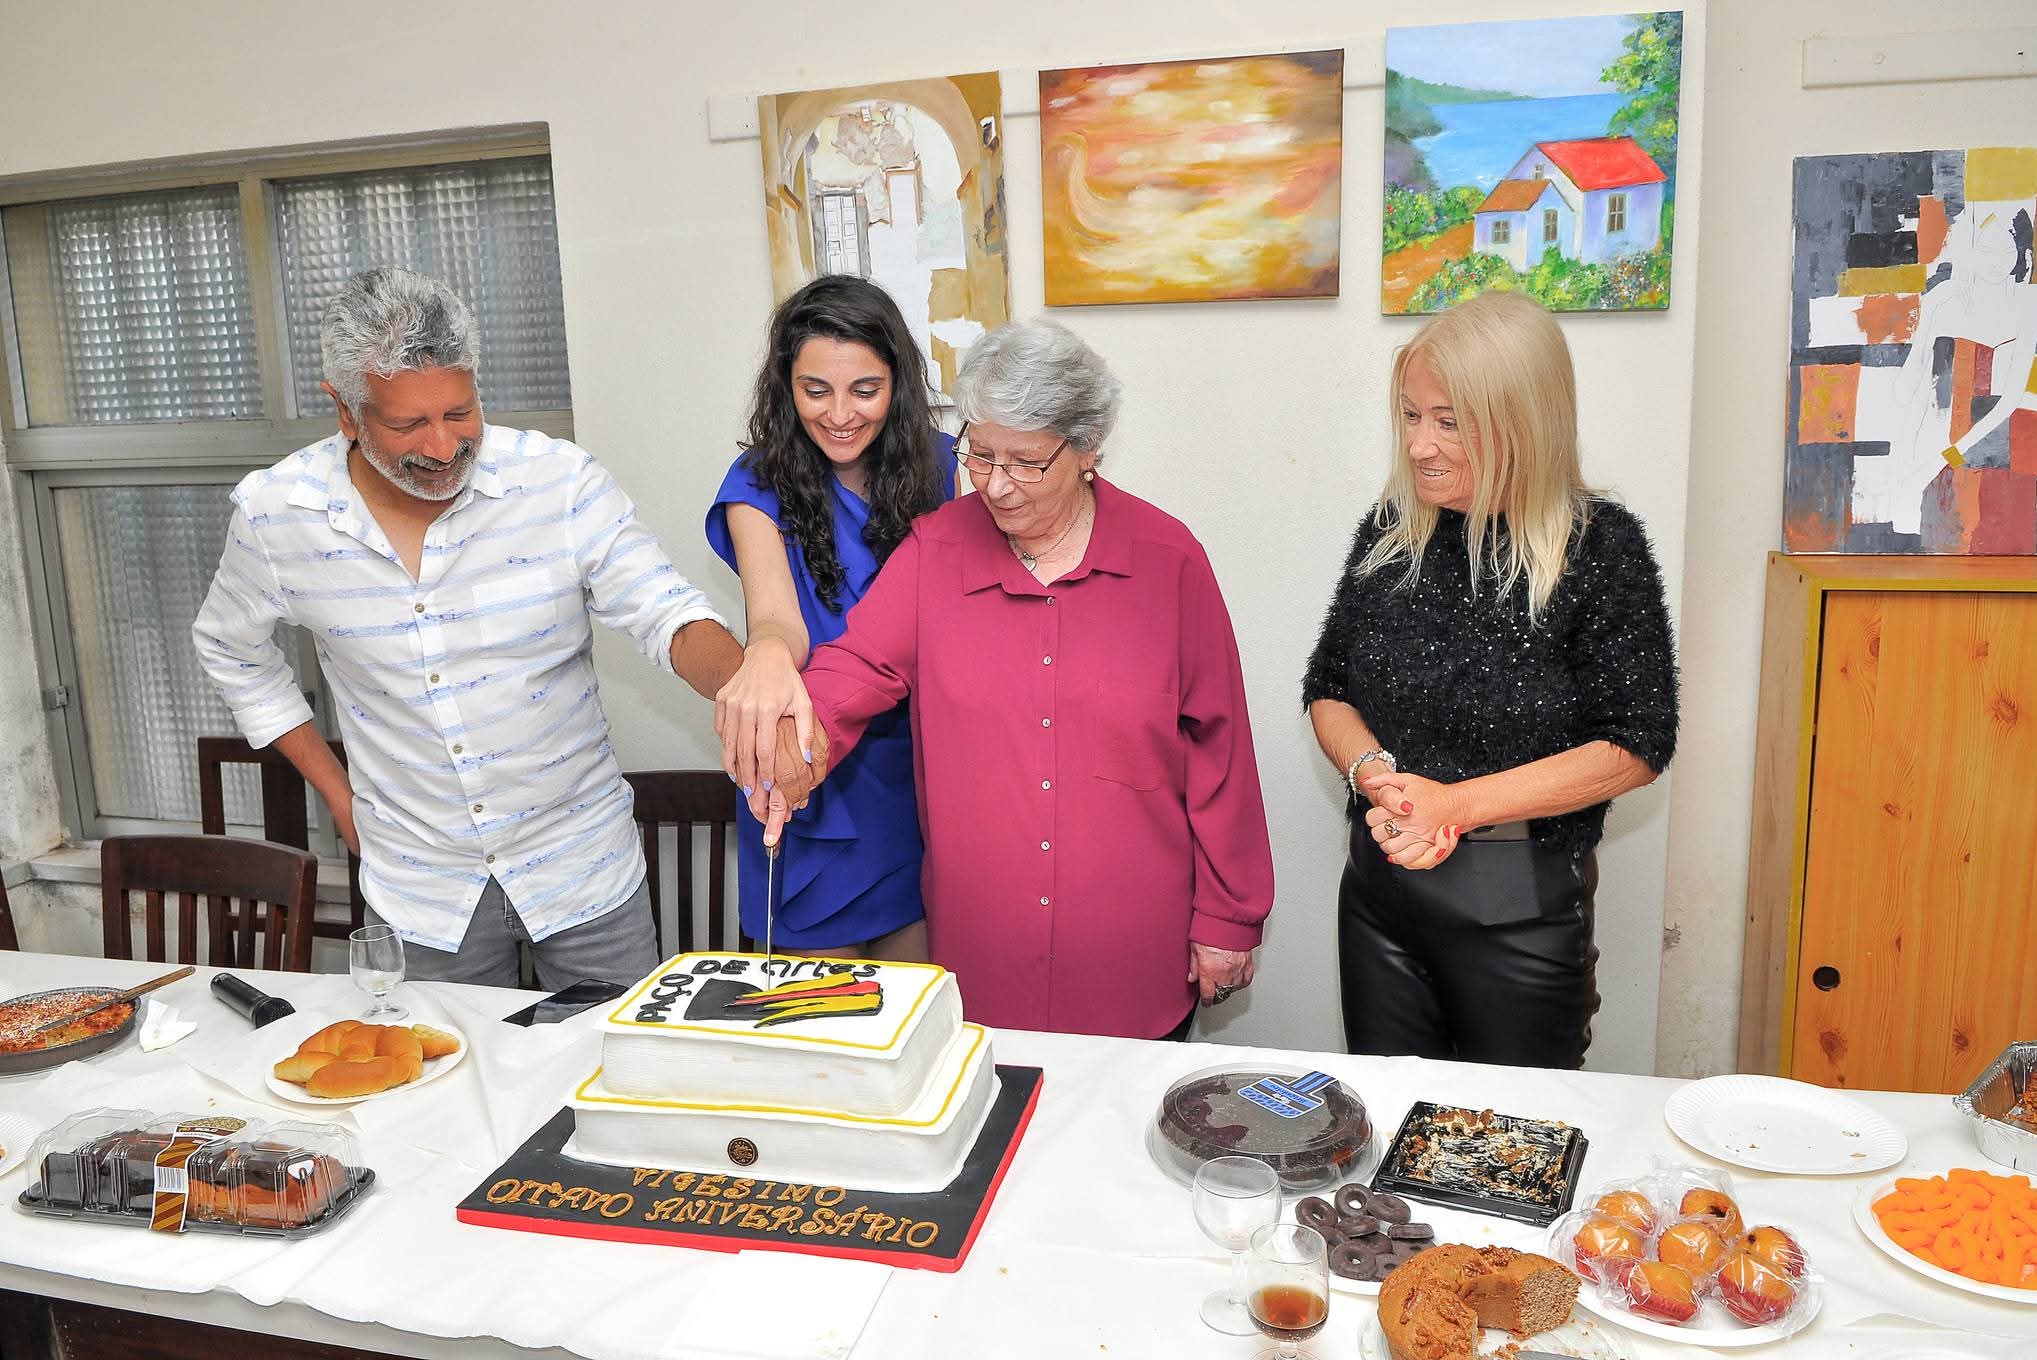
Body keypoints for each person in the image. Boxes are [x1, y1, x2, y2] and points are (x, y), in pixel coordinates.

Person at [193, 266, 750, 989]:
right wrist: (335, 789)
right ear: (345, 412)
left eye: (460, 412)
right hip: (421, 891)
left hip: (582, 869)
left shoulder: (557, 482)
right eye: (407, 425)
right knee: (444, 1065)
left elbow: (668, 613)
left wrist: (753, 693)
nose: (442, 445)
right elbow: (229, 649)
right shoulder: (278, 515)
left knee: (611, 1057)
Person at [757, 319, 1274, 1041]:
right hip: (983, 963)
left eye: (1026, 462)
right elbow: (856, 669)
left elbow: (1222, 749)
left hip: (1133, 964)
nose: (996, 485)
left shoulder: (1169, 561)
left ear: (1088, 448)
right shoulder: (935, 551)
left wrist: (1229, 917)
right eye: (980, 454)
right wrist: (787, 736)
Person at [1301, 290, 1677, 1068]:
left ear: (1522, 422)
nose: (1420, 446)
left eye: (1450, 422)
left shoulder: (1599, 549)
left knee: (1506, 1127)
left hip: (1519, 906)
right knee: (1385, 1110)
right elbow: (1330, 688)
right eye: (1412, 416)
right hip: (1380, 896)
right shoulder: (1392, 534)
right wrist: (1374, 774)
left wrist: (1455, 806)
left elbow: (1636, 745)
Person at [706, 275, 954, 958]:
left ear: (898, 384)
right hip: (811, 768)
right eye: (816, 390)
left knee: (919, 1005)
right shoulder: (756, 482)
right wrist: (764, 653)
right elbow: (777, 620)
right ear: (786, 387)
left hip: (920, 778)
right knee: (820, 1013)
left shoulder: (948, 468)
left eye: (864, 390)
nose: (840, 414)